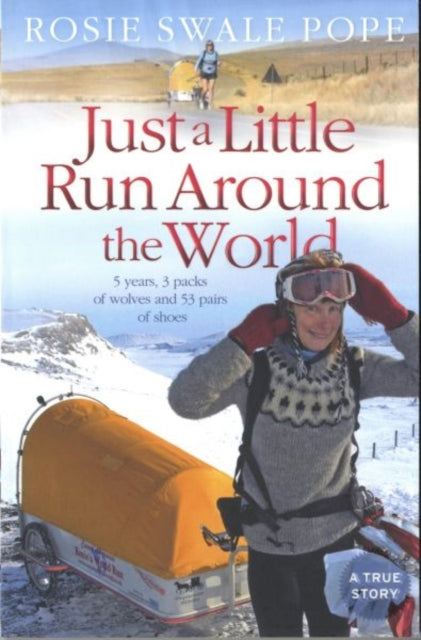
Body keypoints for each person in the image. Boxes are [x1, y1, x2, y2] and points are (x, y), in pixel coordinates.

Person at [168, 249, 419, 637]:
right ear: (288, 311)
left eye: (334, 309)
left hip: (334, 543)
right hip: (270, 546)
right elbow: (185, 401)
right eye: (312, 308)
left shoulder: (355, 368)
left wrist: (396, 318)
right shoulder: (255, 371)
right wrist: (240, 343)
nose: (325, 321)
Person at [195, 39, 219, 108]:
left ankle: (209, 104)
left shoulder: (215, 53)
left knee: (211, 89)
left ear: (213, 46)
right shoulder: (203, 53)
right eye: (208, 45)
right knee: (205, 89)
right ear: (206, 46)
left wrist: (218, 63)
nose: (209, 46)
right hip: (204, 72)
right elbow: (198, 61)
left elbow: (217, 62)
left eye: (211, 45)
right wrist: (196, 69)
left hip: (212, 72)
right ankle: (201, 100)